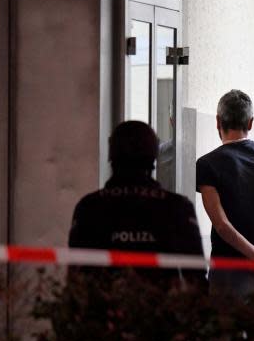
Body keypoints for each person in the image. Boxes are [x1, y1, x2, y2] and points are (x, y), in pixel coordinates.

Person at [68, 120, 205, 286]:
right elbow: (197, 281)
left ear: (111, 153)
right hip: (161, 310)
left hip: (101, 310)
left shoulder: (89, 207)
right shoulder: (177, 208)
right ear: (154, 155)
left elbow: (76, 279)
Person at [196, 90, 254, 306]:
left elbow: (221, 224)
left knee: (226, 336)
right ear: (250, 123)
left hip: (227, 268)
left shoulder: (208, 164)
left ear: (218, 121)